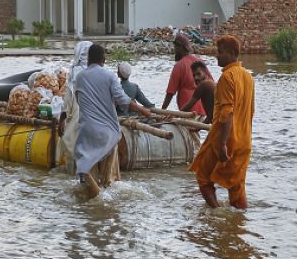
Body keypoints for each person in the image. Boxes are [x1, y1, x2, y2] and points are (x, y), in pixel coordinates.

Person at [73, 44, 153, 198]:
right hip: (108, 134)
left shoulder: (79, 77)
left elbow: (79, 100)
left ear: (88, 59)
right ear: (104, 59)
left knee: (86, 170)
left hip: (86, 133)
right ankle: (104, 199)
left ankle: (93, 197)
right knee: (108, 182)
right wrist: (143, 110)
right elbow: (122, 99)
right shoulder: (109, 76)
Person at [189, 35, 255, 209]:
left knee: (203, 176)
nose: (217, 55)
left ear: (232, 53)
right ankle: (237, 224)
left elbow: (226, 113)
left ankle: (217, 214)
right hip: (244, 141)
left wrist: (222, 144)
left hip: (225, 139)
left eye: (220, 52)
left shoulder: (227, 77)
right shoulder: (247, 77)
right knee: (236, 186)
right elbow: (250, 111)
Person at [58, 40, 92, 172]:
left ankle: (76, 173)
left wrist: (61, 120)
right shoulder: (98, 71)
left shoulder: (75, 73)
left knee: (72, 143)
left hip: (79, 119)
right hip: (95, 119)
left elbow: (67, 100)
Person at [161, 33, 211, 116]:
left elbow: (170, 92)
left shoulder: (179, 65)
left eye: (175, 47)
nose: (175, 50)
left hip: (188, 110)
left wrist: (162, 111)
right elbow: (211, 84)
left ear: (180, 47)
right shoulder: (200, 61)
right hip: (204, 109)